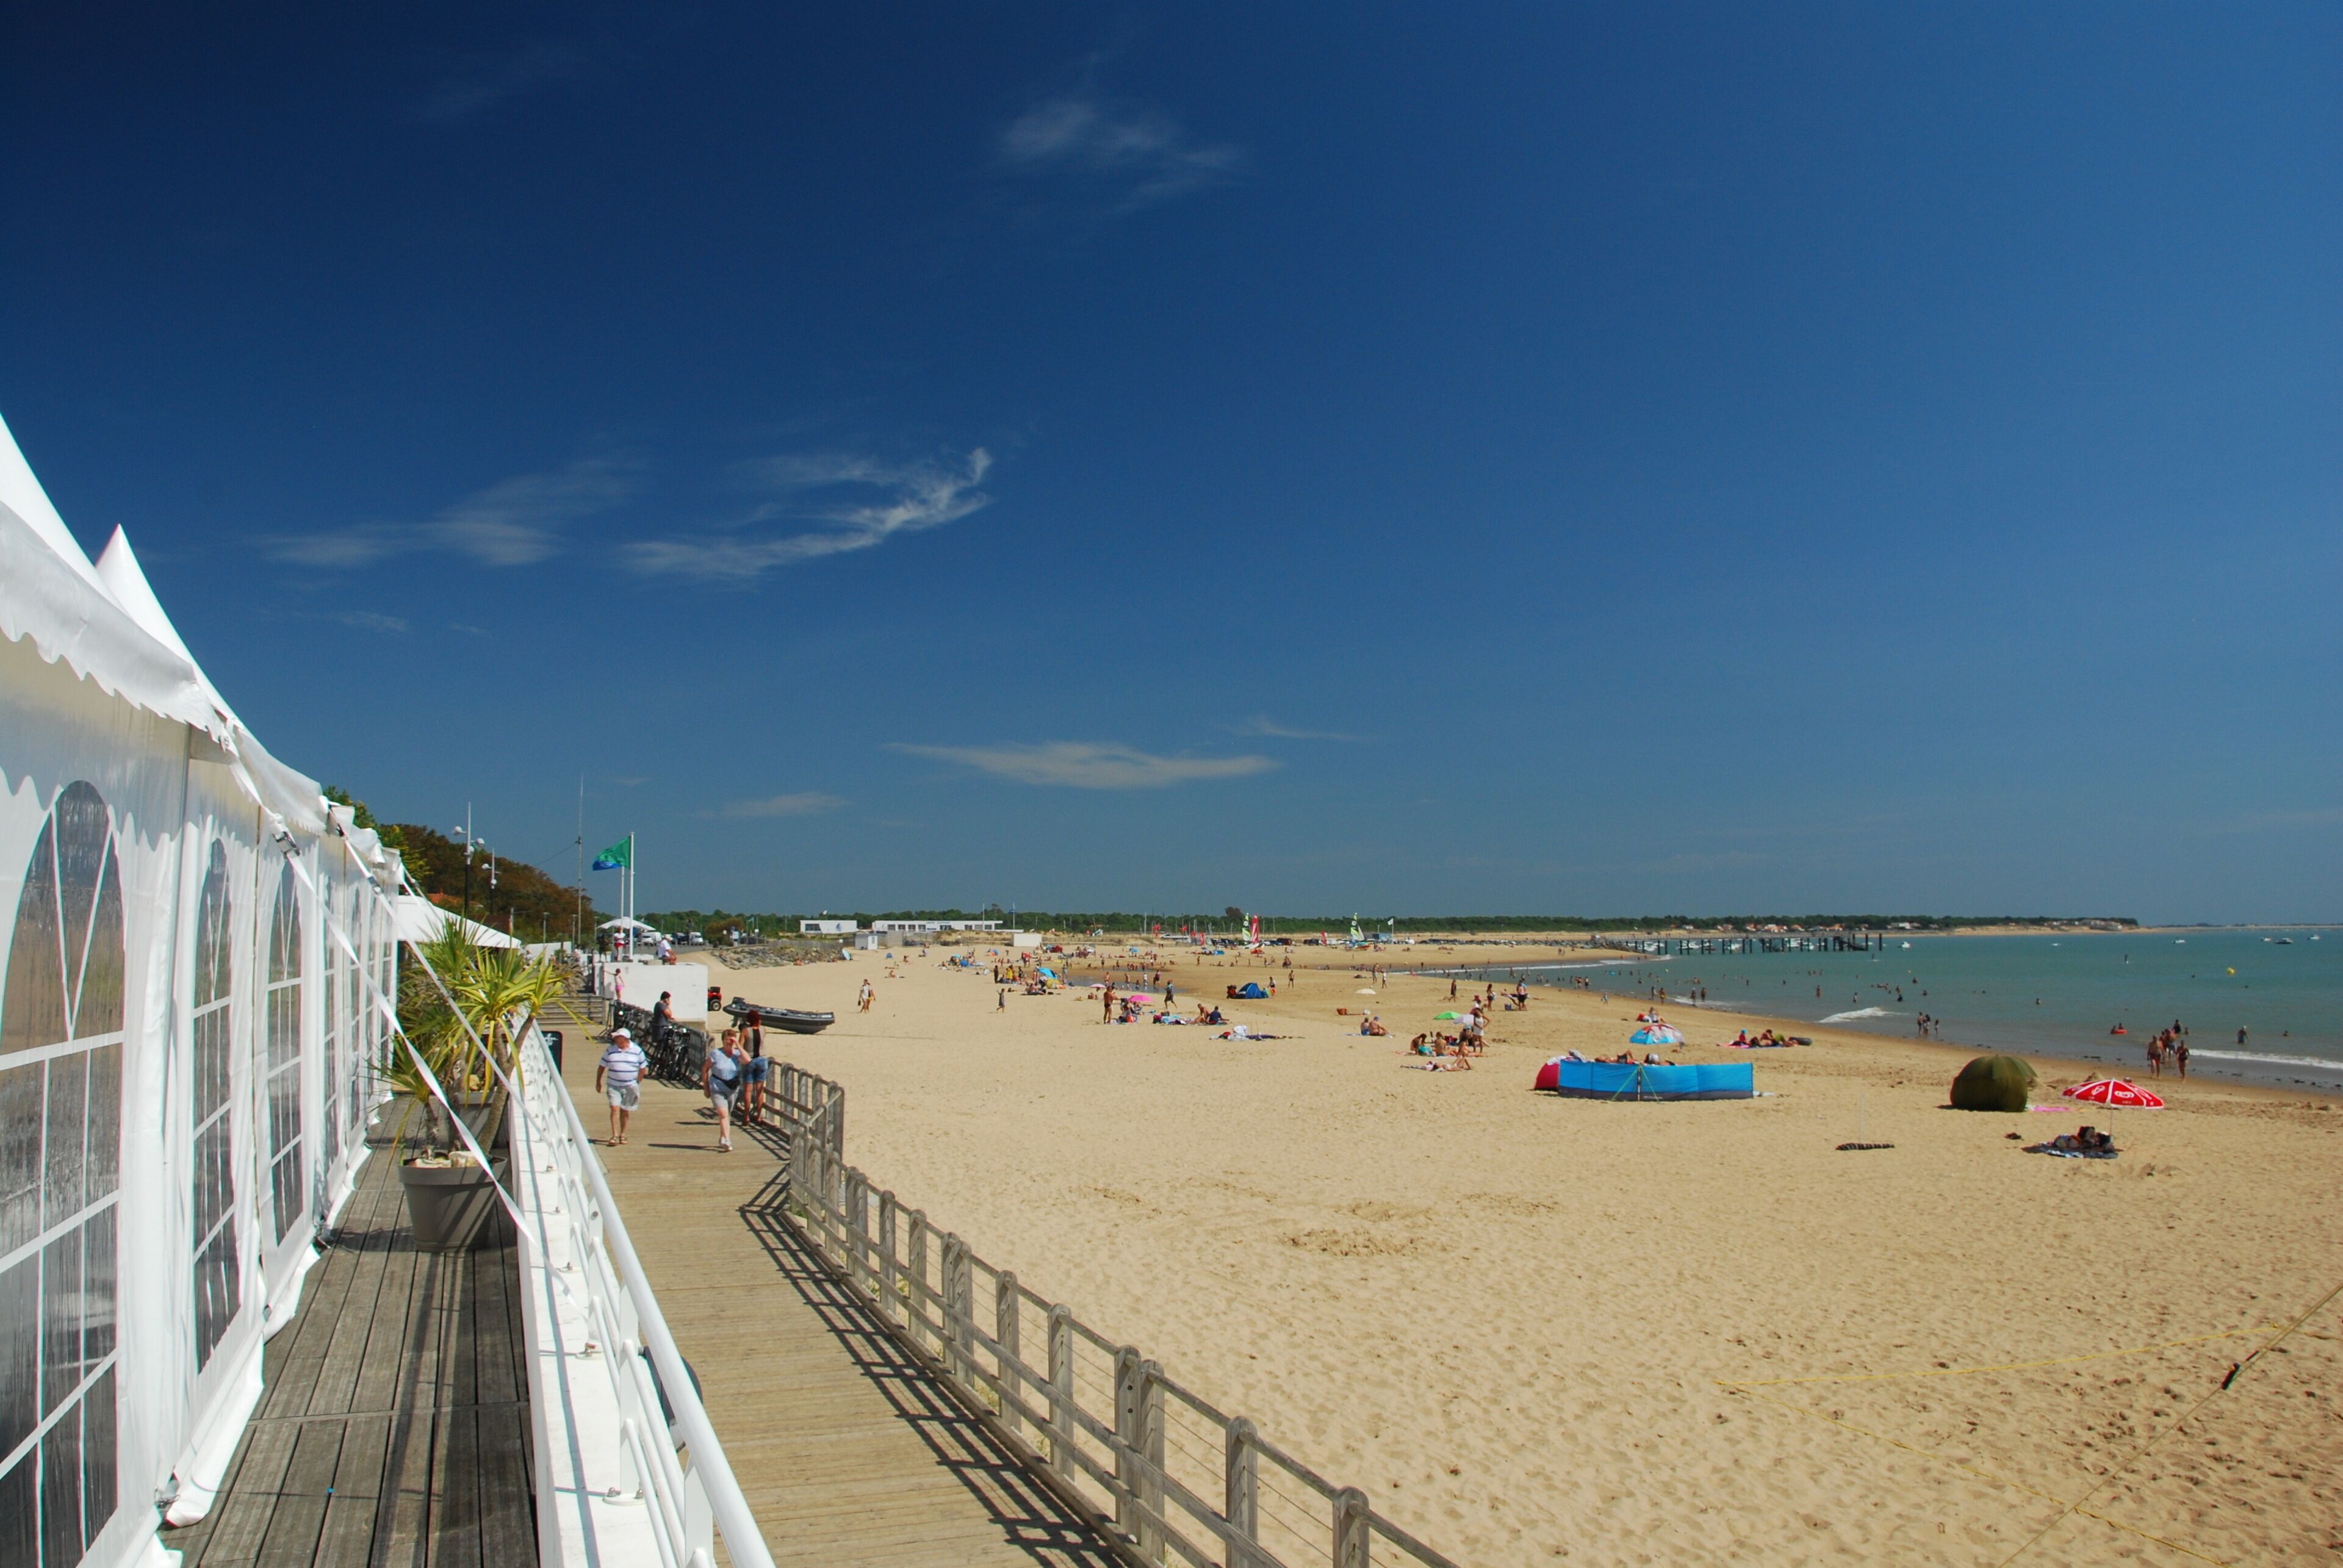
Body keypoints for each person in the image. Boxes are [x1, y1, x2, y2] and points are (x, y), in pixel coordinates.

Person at [596, 1027, 648, 1146]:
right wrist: (598, 1082)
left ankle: (623, 1134)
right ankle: (614, 1135)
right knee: (614, 1108)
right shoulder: (610, 1050)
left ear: (624, 1039)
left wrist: (638, 1082)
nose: (614, 1038)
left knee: (625, 1111)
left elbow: (643, 1067)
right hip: (613, 1084)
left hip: (630, 1085)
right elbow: (602, 1066)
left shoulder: (637, 1050)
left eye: (617, 1037)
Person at [704, 1029, 746, 1152]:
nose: (729, 1042)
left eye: (731, 1039)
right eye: (727, 1039)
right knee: (723, 1114)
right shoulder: (715, 1054)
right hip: (717, 1088)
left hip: (732, 1089)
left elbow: (748, 1060)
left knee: (727, 1115)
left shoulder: (737, 1055)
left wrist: (738, 1045)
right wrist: (706, 1088)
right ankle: (727, 1140)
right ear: (723, 1040)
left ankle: (722, 1137)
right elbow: (705, 1069)